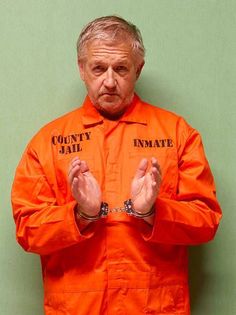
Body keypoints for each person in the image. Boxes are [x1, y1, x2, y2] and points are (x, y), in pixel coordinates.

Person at [11, 15, 222, 315]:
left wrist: (152, 211)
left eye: (121, 68)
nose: (109, 81)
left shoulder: (177, 134)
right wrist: (81, 214)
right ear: (81, 69)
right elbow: (27, 230)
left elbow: (206, 220)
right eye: (98, 68)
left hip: (157, 308)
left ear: (138, 69)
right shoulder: (48, 142)